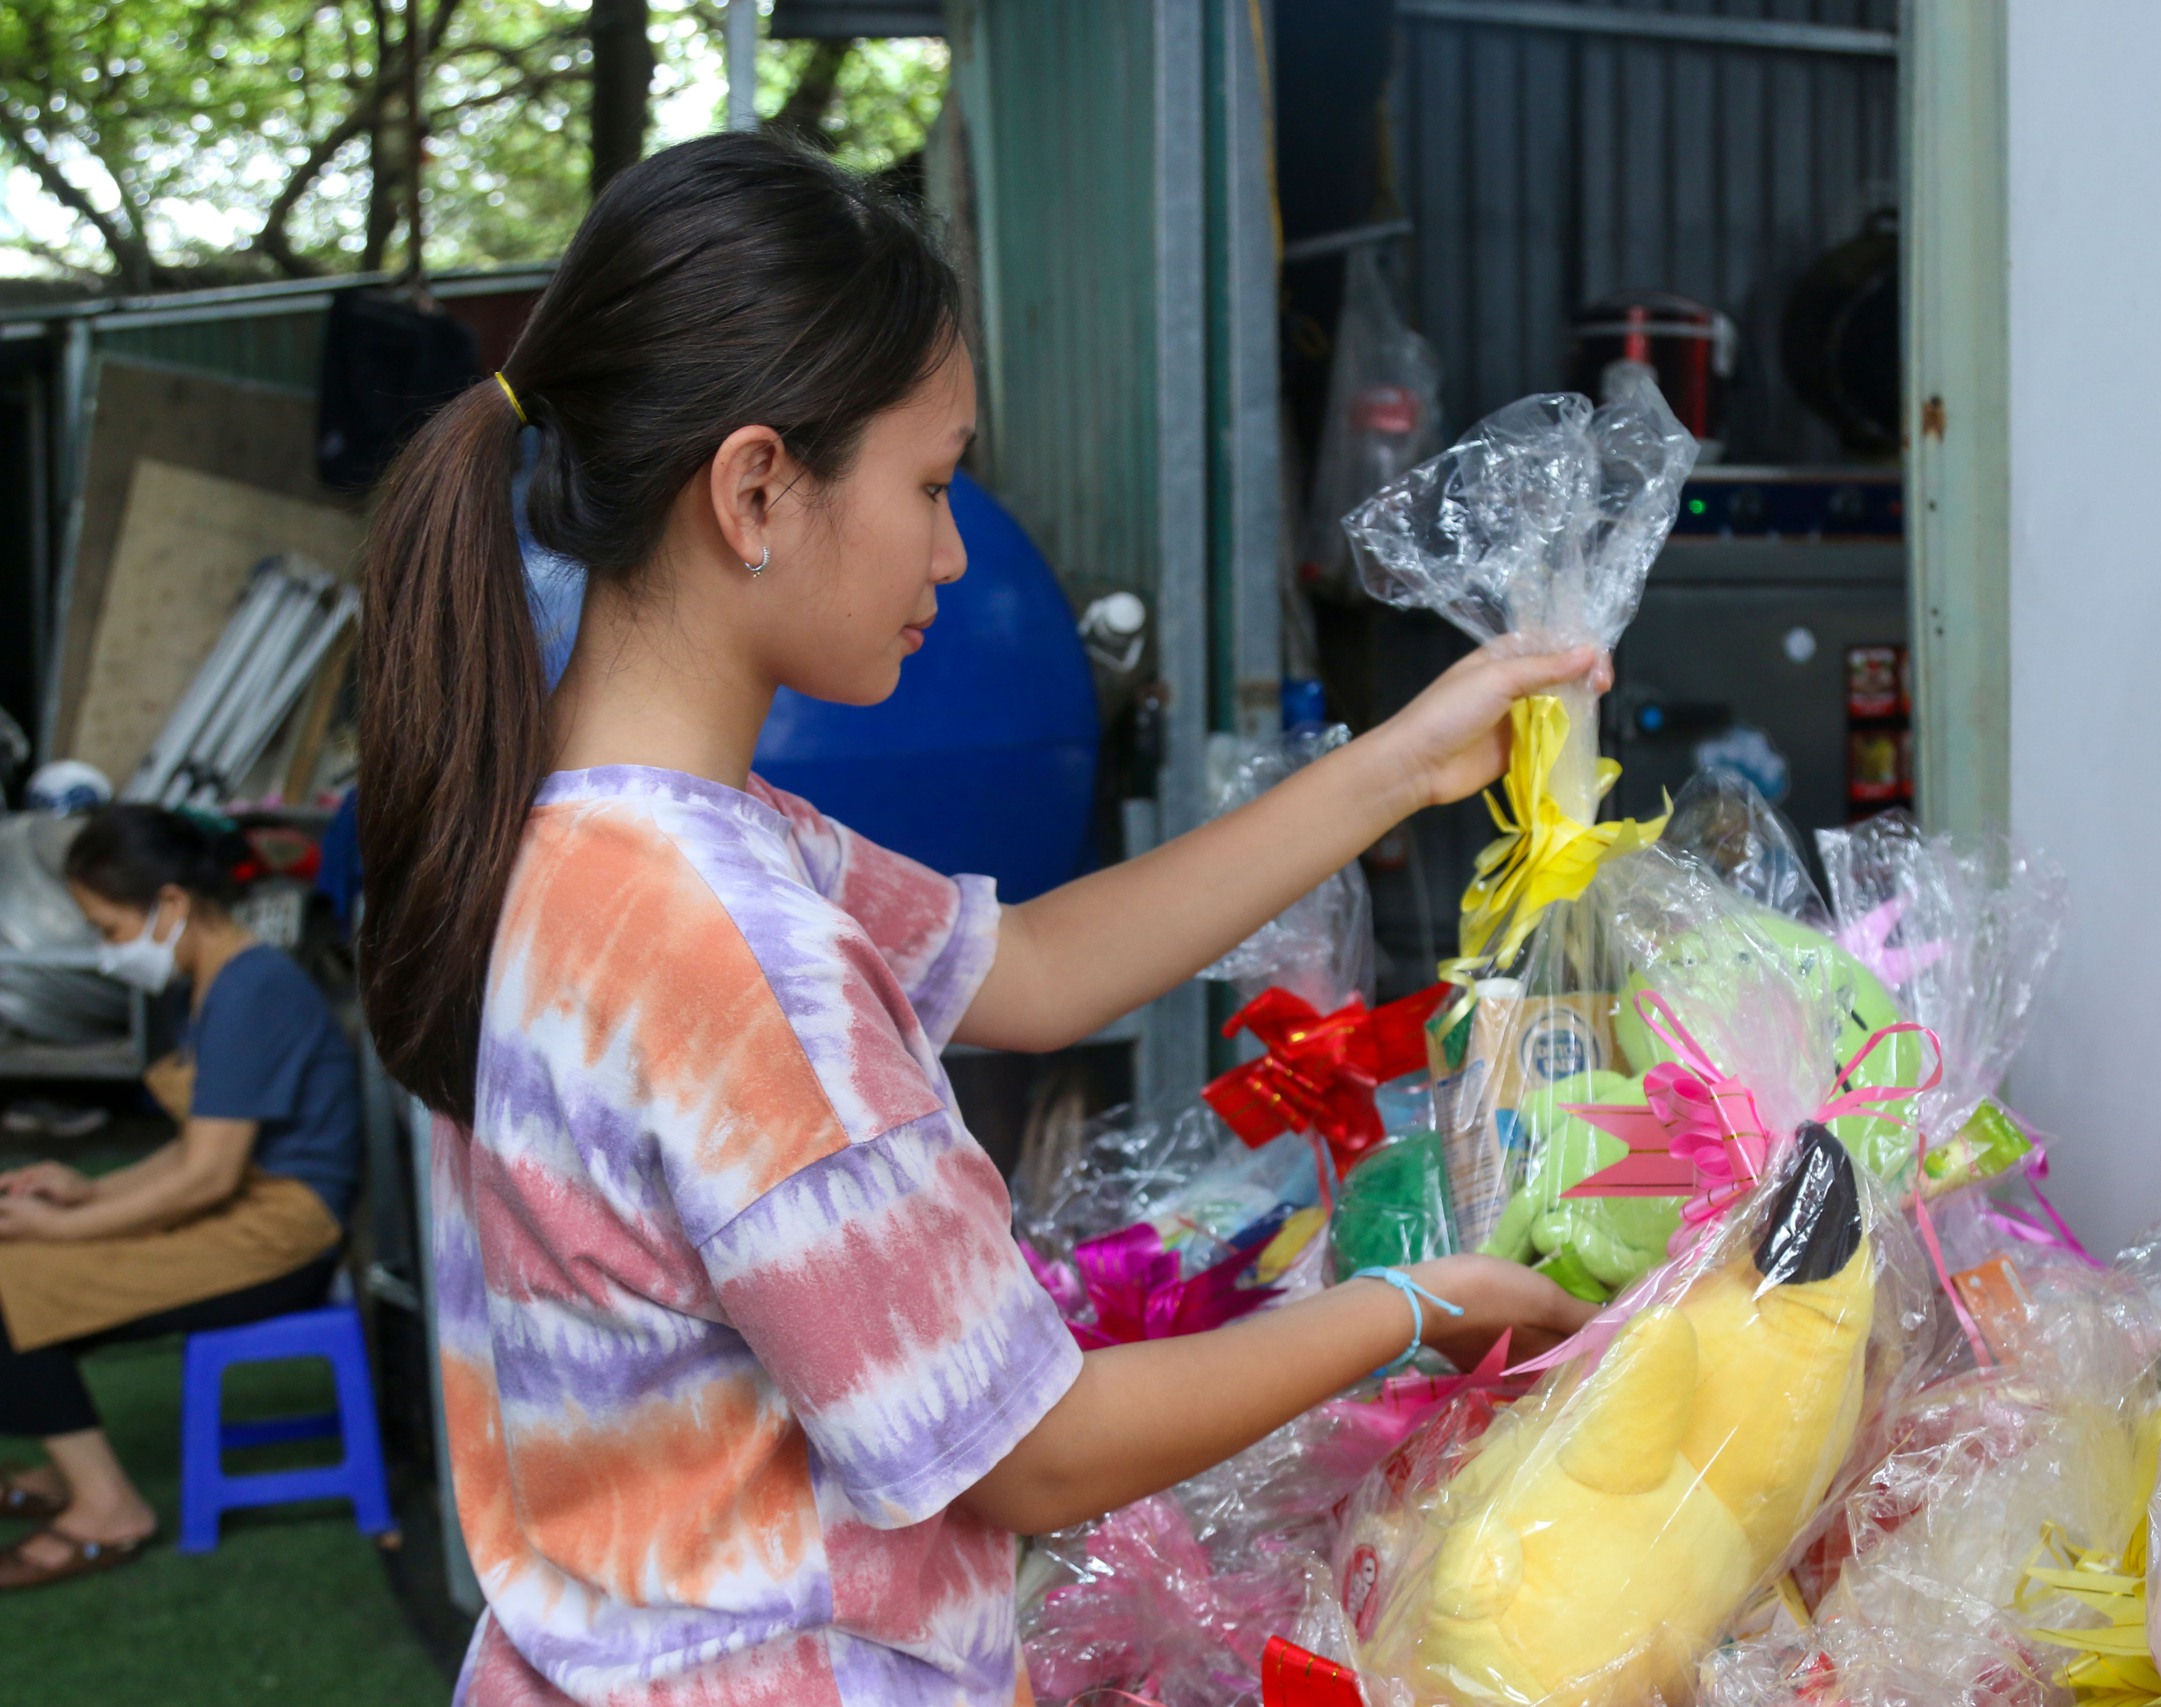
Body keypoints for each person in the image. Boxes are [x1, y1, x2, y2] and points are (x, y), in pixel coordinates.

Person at [357, 131, 1598, 1707]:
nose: (954, 549)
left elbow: (1040, 965)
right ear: (754, 489)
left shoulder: (586, 841)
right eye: (932, 482)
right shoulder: (729, 945)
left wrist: (1404, 760)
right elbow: (1030, 1450)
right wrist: (1416, 1303)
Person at [0, 805, 361, 1589]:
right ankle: (72, 1477)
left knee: (7, 1280)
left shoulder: (250, 988)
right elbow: (195, 1148)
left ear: (170, 905)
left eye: (107, 928)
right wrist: (82, 1190)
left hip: (281, 1237)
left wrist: (64, 1230)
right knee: (13, 1254)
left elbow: (208, 1177)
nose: (107, 953)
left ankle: (105, 1507)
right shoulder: (213, 985)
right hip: (245, 1211)